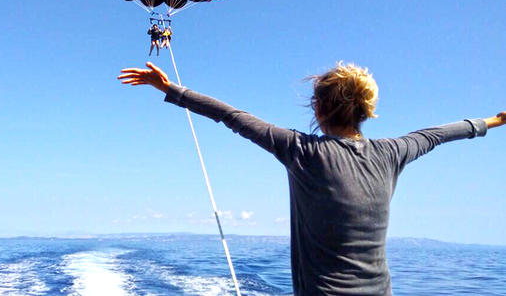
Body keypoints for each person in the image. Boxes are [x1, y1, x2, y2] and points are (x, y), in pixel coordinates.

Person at [117, 61, 505, 296]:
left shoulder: (301, 150)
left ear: (318, 109)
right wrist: (495, 121)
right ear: (364, 112)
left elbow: (230, 115)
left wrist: (169, 89)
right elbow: (443, 133)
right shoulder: (393, 152)